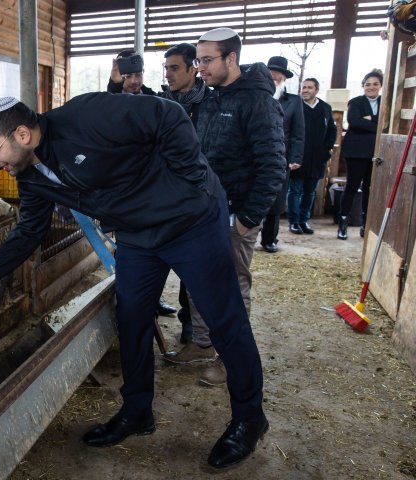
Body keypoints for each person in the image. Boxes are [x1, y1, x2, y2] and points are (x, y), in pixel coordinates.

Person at [0, 93, 268, 469]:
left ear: (21, 134)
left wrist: (189, 179)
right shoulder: (30, 175)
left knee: (224, 319)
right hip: (137, 235)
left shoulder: (86, 116)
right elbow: (29, 231)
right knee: (132, 318)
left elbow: (167, 115)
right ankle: (137, 410)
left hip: (189, 224)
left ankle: (249, 419)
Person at [163, 28, 286, 395]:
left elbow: (273, 166)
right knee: (200, 281)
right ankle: (203, 345)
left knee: (232, 287)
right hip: (205, 211)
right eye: (198, 60)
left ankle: (230, 359)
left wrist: (247, 218)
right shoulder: (214, 97)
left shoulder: (258, 102)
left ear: (230, 58)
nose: (200, 67)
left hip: (235, 213)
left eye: (206, 59)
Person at [104, 47, 176, 317]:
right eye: (128, 75)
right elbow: (106, 112)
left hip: (154, 184)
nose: (133, 81)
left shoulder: (154, 98)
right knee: (129, 247)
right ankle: (134, 303)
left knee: (158, 248)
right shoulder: (111, 99)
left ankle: (154, 299)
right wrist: (113, 83)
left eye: (137, 74)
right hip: (125, 185)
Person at [157, 42, 212, 343]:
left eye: (175, 67)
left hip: (197, 196)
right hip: (164, 195)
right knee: (158, 255)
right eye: (166, 68)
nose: (168, 74)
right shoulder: (161, 102)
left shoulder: (210, 104)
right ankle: (151, 306)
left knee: (192, 262)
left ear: (194, 68)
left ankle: (189, 321)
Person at [259, 56, 305, 252]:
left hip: (280, 157)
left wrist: (296, 157)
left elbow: (298, 132)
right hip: (255, 155)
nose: (273, 80)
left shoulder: (294, 101)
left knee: (276, 199)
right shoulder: (256, 98)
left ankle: (269, 239)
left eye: (277, 77)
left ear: (284, 79)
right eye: (270, 76)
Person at [338, 69, 383, 240]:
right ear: (363, 86)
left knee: (369, 189)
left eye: (375, 84)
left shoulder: (385, 102)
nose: (371, 87)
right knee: (351, 186)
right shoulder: (355, 102)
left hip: (375, 151)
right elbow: (354, 122)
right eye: (368, 84)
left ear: (380, 86)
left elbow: (386, 123)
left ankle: (366, 223)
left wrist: (370, 118)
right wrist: (376, 121)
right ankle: (343, 222)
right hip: (356, 151)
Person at [289, 78, 337, 233]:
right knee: (295, 191)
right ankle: (293, 222)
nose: (305, 90)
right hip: (299, 157)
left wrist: (325, 151)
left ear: (316, 90)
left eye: (309, 87)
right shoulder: (296, 106)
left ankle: (304, 221)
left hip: (317, 159)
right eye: (303, 87)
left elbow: (332, 131)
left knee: (310, 192)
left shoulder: (325, 108)